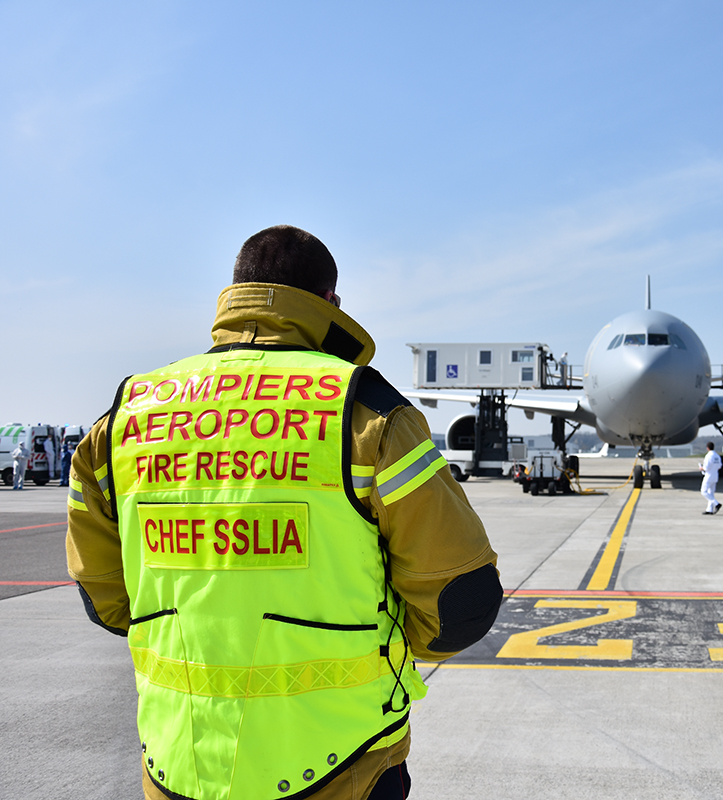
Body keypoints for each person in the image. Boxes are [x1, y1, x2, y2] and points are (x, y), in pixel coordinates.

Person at [65, 225, 502, 800]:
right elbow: (459, 601)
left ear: (234, 293)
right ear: (329, 304)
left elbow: (104, 599)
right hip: (343, 758)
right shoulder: (366, 411)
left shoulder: (123, 417)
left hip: (178, 761)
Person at [699, 441, 722, 514]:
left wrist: (701, 468)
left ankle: (716, 504)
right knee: (711, 493)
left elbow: (706, 467)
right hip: (715, 475)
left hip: (708, 476)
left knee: (703, 491)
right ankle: (709, 509)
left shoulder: (708, 456)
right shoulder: (717, 456)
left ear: (707, 448)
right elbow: (720, 466)